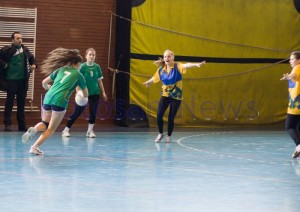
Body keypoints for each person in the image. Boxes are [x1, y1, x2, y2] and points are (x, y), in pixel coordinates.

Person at [22, 48, 88, 155]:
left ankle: (34, 129)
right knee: (51, 129)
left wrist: (49, 88)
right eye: (80, 64)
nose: (80, 66)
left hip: (48, 97)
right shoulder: (78, 74)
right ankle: (34, 147)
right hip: (60, 100)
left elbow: (44, 82)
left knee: (45, 123)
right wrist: (83, 99)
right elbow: (85, 92)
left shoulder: (60, 70)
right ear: (76, 64)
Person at [143, 49, 205, 143]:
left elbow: (186, 65)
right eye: (165, 56)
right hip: (165, 95)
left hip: (176, 96)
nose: (166, 58)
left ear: (173, 58)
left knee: (170, 118)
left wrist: (196, 64)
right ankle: (160, 133)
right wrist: (148, 82)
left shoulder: (177, 66)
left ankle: (169, 136)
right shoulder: (161, 69)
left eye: (169, 56)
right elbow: (155, 77)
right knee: (159, 115)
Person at [62, 48, 107, 138]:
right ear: (86, 56)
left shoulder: (97, 67)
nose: (91, 56)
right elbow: (78, 80)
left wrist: (103, 92)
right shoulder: (82, 67)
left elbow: (99, 81)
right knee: (78, 111)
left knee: (93, 112)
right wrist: (78, 91)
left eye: (93, 55)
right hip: (84, 94)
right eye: (90, 54)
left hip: (95, 93)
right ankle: (66, 129)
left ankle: (90, 131)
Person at [0, 32, 37, 131]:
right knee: (10, 103)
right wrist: (4, 64)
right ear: (12, 40)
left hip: (23, 81)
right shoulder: (6, 50)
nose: (20, 40)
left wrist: (33, 64)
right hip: (11, 80)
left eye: (21, 38)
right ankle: (7, 124)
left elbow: (32, 59)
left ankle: (22, 125)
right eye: (17, 38)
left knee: (21, 103)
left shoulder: (25, 50)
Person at [280, 51, 300, 158]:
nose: (290, 61)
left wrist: (288, 77)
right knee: (298, 128)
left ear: (298, 60)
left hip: (296, 105)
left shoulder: (297, 68)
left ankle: (299, 145)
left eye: (292, 59)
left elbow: (294, 75)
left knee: (289, 126)